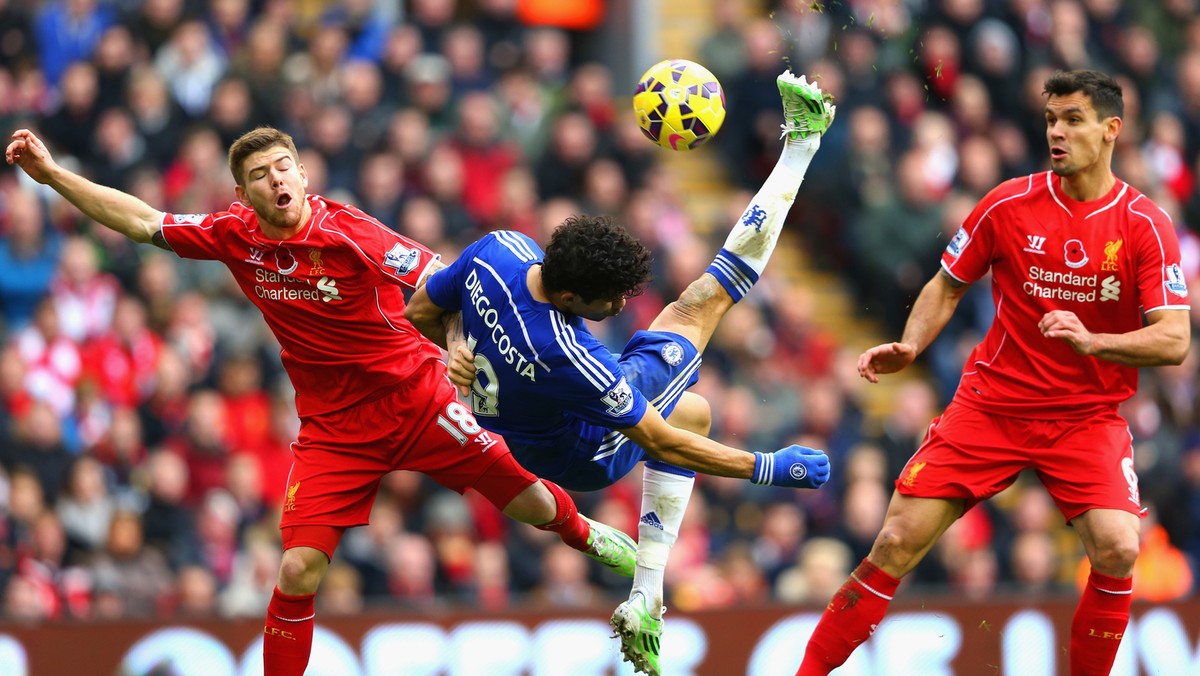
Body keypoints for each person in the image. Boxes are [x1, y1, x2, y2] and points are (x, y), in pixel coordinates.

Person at [5, 125, 640, 676]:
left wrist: (454, 340)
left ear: (303, 174)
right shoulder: (233, 235)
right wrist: (54, 174)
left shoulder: (351, 231)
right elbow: (143, 220)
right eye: (259, 174)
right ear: (243, 194)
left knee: (528, 502)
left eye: (284, 166)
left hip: (416, 395)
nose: (275, 179)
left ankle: (592, 536)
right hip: (335, 429)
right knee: (297, 572)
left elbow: (445, 282)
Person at [405, 70, 837, 676]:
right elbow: (655, 441)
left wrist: (457, 340)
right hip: (576, 454)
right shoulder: (571, 358)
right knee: (701, 307)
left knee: (693, 410)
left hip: (517, 417)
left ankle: (645, 597)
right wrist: (766, 468)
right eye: (610, 301)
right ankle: (801, 146)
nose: (617, 309)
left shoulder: (499, 249)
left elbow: (421, 308)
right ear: (574, 294)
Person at [796, 69, 1191, 676]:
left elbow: (1174, 338)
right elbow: (947, 284)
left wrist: (1094, 341)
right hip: (992, 406)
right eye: (1051, 120)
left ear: (1111, 130)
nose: (1057, 133)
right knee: (896, 541)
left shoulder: (1144, 225)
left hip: (1085, 418)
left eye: (1073, 120)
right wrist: (910, 344)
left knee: (1117, 548)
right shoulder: (1007, 203)